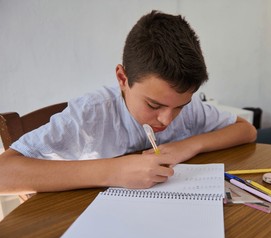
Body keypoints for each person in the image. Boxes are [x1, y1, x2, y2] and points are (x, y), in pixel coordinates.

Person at [0, 11, 257, 194]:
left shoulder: (186, 108)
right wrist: (112, 171)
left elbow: (246, 130)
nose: (167, 120)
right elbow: (4, 173)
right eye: (154, 106)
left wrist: (189, 146)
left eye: (180, 106)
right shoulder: (89, 116)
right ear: (123, 78)